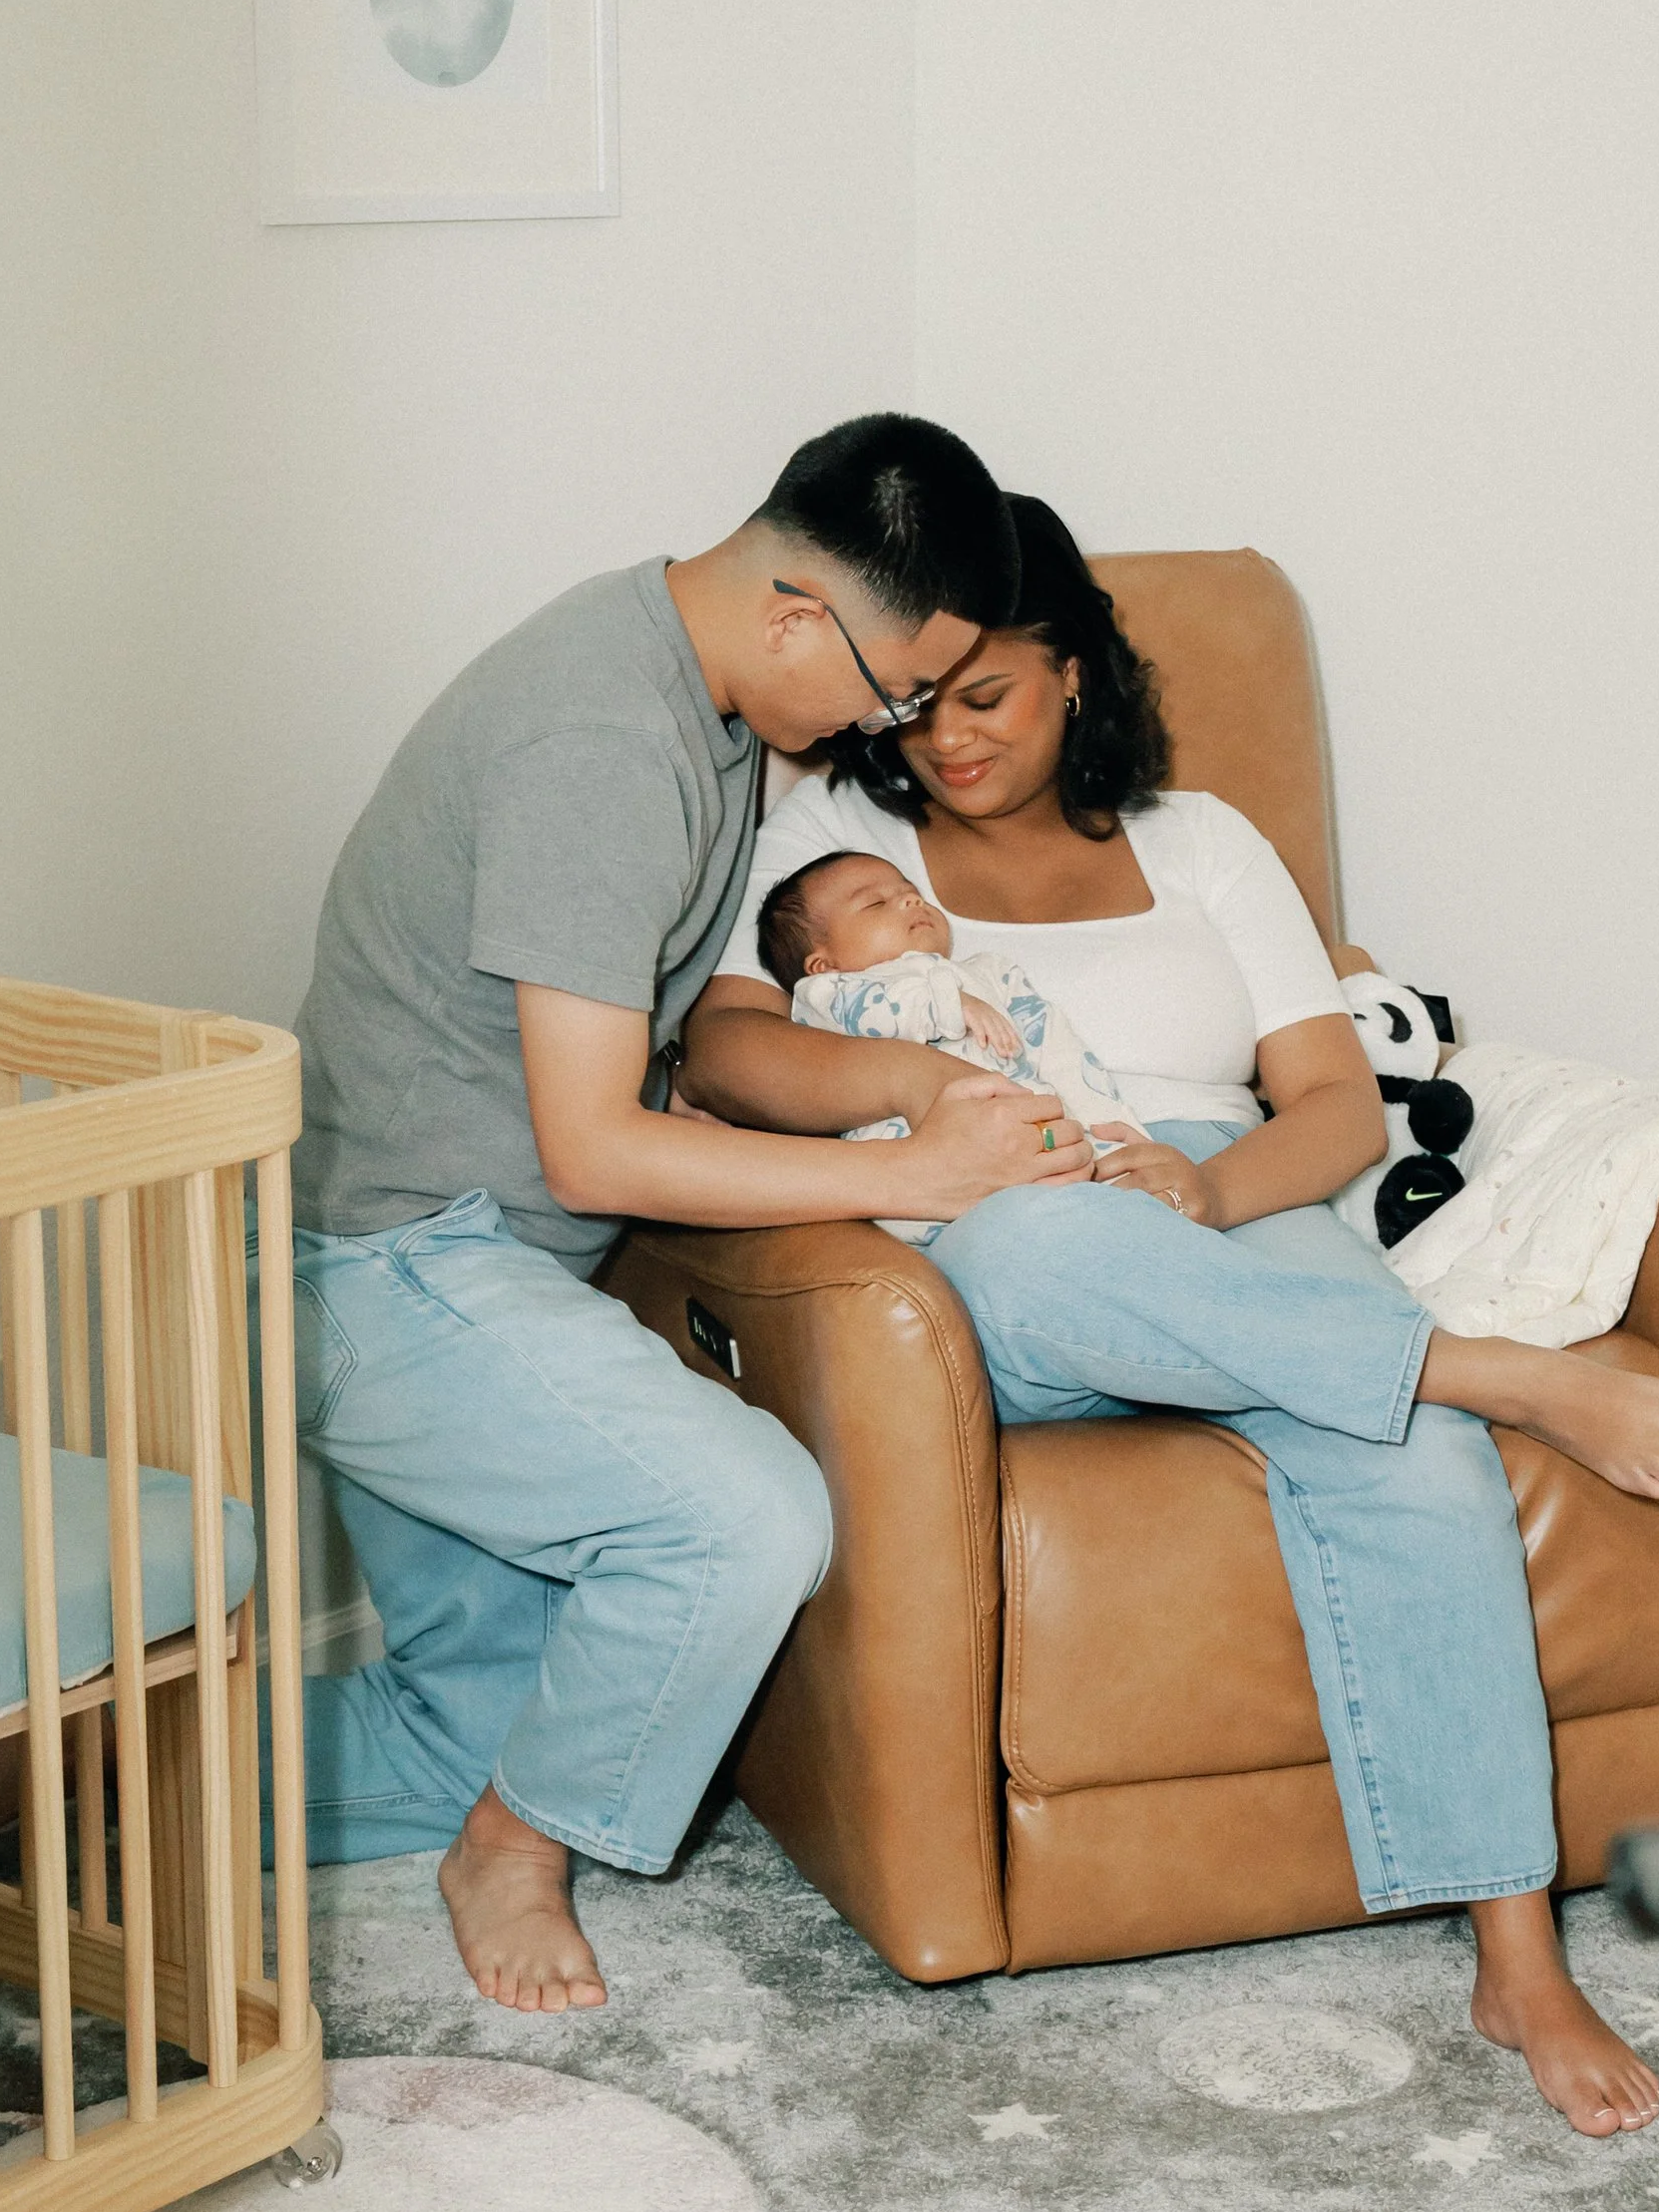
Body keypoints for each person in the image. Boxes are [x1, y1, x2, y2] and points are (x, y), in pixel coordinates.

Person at [682, 495, 1659, 2137]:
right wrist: (924, 1089)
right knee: (1037, 1252)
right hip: (1016, 1227)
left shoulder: (1205, 842)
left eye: (990, 695)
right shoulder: (839, 842)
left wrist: (1205, 1189)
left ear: (1080, 673)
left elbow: (1331, 1107)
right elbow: (726, 1055)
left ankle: (1515, 1948)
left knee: (1422, 1464)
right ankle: (1481, 1364)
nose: (944, 737)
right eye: (922, 701)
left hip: (1233, 1202)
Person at [286, 416, 1106, 2018]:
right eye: (890, 690)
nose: (893, 728)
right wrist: (908, 1170)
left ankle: (71, 1780)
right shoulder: (601, 739)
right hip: (393, 1272)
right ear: (799, 609)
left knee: (476, 1721)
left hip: (476, 1265)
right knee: (746, 1521)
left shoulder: (708, 697)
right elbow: (595, 1145)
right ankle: (511, 1852)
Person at [752, 846, 1130, 1238]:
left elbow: (1061, 1053)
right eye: (876, 903)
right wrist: (948, 1005)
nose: (909, 899)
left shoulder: (991, 974)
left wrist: (1117, 1139)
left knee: (1092, 1204)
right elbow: (871, 1013)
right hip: (920, 1171)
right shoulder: (828, 993)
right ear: (823, 963)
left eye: (909, 891)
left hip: (1034, 1150)